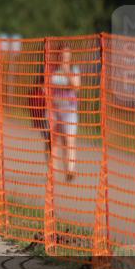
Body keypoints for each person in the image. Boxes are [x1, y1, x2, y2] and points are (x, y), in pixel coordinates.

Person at [50, 47, 81, 183]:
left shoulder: (74, 70)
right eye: (62, 55)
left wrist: (67, 71)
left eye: (67, 55)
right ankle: (52, 171)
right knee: (54, 141)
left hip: (69, 109)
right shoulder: (53, 72)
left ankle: (70, 170)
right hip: (55, 109)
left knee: (69, 140)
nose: (64, 58)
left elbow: (76, 86)